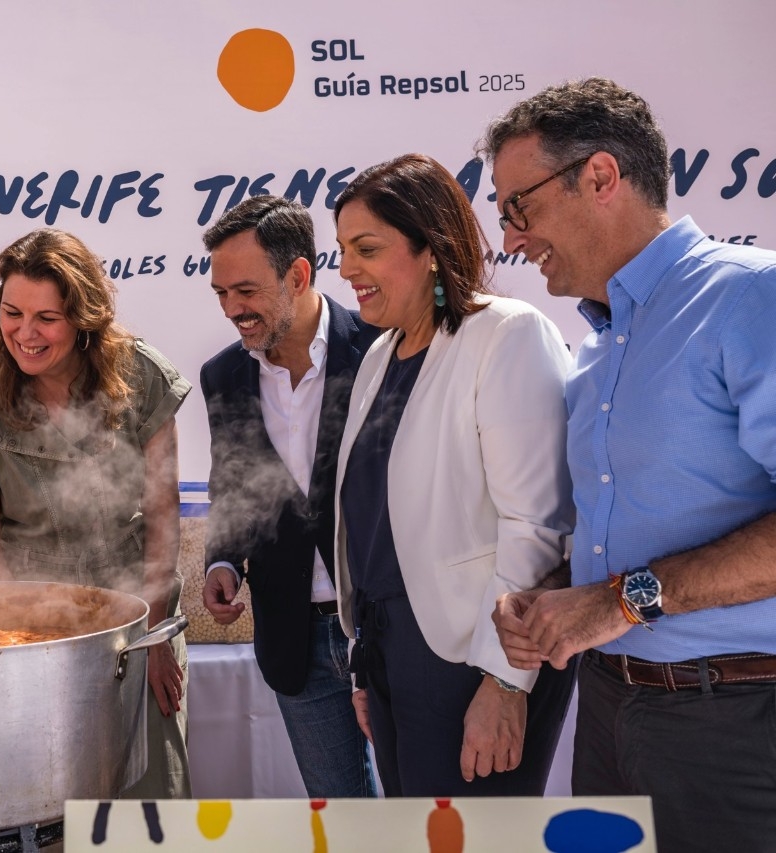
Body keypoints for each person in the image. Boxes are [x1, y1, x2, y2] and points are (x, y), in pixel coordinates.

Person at [483, 78, 776, 851]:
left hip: (736, 718)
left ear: (602, 177)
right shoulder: (595, 346)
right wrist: (553, 599)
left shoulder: (752, 295)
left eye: (520, 206)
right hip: (610, 705)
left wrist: (618, 601)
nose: (510, 237)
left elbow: (630, 589)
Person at [330, 153, 575, 797]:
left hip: (474, 655)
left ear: (431, 248)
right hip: (389, 649)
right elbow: (375, 530)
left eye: (367, 248)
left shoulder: (507, 333)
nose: (347, 268)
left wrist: (505, 682)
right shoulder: (379, 354)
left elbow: (540, 526)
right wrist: (367, 669)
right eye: (343, 250)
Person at [0, 227, 192, 799]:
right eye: (13, 313)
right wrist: (26, 648)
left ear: (84, 317)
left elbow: (162, 518)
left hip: (140, 619)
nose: (25, 333)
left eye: (47, 317)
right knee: (47, 808)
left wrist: (153, 640)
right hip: (33, 631)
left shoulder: (141, 376)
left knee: (149, 810)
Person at [198, 195, 379, 798]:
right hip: (294, 639)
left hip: (389, 632)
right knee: (343, 816)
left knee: (418, 813)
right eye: (222, 294)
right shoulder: (223, 375)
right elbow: (233, 482)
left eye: (245, 291)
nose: (232, 310)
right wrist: (222, 561)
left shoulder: (385, 347)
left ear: (298, 275)